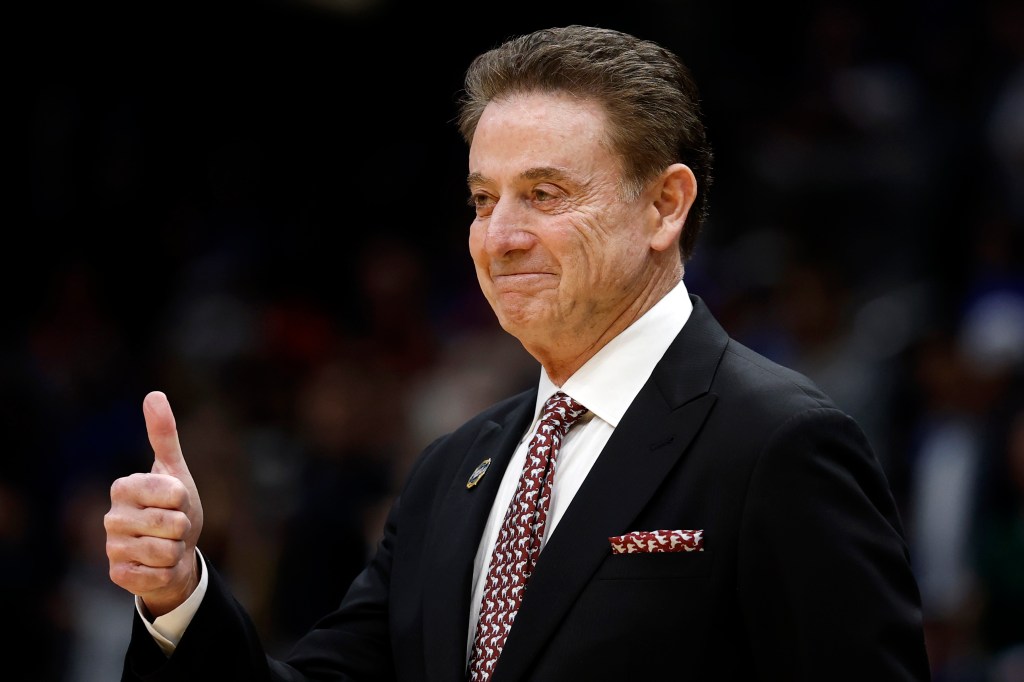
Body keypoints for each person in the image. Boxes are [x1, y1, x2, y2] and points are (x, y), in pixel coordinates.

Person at [104, 24, 931, 681]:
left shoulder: (779, 445)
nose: (499, 238)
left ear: (664, 206)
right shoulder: (449, 470)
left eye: (544, 194)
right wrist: (180, 597)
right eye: (482, 199)